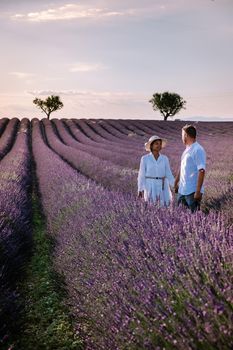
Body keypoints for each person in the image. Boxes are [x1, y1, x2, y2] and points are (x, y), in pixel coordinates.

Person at [174, 124, 206, 212]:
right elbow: (182, 168)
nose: (181, 138)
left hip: (192, 191)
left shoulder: (197, 149)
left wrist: (198, 191)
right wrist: (176, 182)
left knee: (194, 217)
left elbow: (202, 171)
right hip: (182, 190)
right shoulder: (187, 150)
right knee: (180, 217)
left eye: (182, 135)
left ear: (186, 135)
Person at [138, 135, 175, 206]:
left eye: (160, 144)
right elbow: (141, 175)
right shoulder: (145, 159)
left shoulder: (165, 158)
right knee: (151, 205)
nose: (159, 145)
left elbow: (168, 174)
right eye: (156, 143)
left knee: (164, 206)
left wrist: (175, 186)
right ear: (151, 146)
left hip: (163, 186)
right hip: (150, 185)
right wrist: (140, 189)